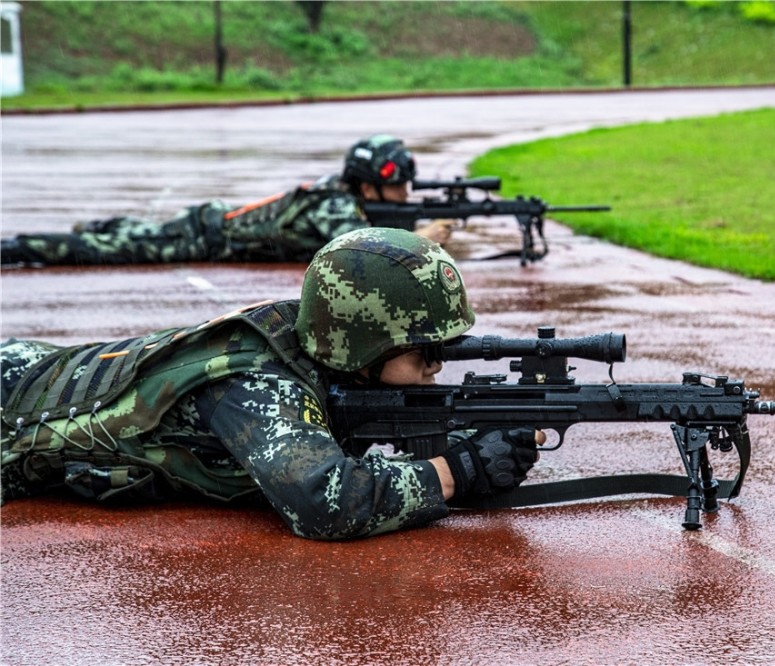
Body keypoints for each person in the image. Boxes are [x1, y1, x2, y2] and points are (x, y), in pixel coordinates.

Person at [0, 227, 538, 540]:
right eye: (426, 349)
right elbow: (327, 503)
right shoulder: (258, 385)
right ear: (364, 348)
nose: (437, 365)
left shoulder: (319, 339)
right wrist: (457, 471)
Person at [0, 134, 455, 267]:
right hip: (203, 236)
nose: (405, 194)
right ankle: (22, 247)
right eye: (397, 185)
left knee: (132, 233)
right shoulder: (335, 207)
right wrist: (420, 239)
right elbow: (355, 250)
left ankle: (106, 225)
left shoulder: (337, 193)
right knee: (109, 252)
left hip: (209, 224)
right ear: (368, 186)